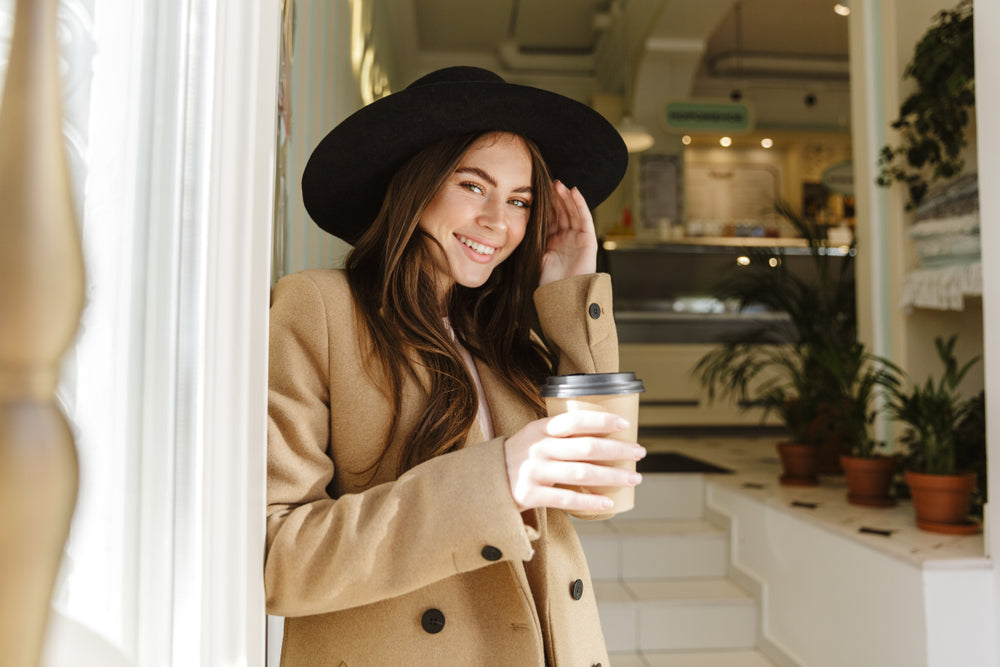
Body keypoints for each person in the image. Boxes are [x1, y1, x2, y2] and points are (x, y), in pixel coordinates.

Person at [265, 66, 645, 666]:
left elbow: (590, 488)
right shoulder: (319, 307)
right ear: (416, 185)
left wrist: (573, 298)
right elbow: (279, 558)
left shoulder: (499, 336)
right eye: (473, 186)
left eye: (521, 201)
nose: (499, 221)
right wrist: (495, 480)